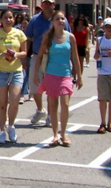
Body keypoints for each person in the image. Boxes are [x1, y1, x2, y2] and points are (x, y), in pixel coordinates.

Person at [33, 11, 82, 147]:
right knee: (53, 106)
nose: (60, 21)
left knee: (65, 104)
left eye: (62, 19)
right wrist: (35, 73)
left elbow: (75, 58)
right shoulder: (48, 36)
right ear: (52, 22)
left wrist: (79, 76)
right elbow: (40, 56)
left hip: (66, 74)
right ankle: (55, 134)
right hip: (50, 74)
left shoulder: (70, 37)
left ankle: (63, 133)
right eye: (57, 19)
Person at [24, 0, 70, 127]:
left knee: (51, 87)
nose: (47, 6)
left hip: (54, 58)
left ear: (54, 5)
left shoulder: (60, 19)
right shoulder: (34, 20)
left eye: (49, 4)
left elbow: (68, 37)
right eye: (45, 4)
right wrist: (26, 57)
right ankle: (40, 110)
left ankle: (51, 115)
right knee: (34, 86)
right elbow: (28, 38)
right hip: (37, 55)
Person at [0, 9, 28, 144]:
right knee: (3, 104)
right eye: (6, 17)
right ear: (1, 20)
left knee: (15, 101)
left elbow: (24, 52)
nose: (8, 20)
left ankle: (11, 126)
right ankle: (2, 130)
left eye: (10, 17)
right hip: (0, 71)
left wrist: (16, 55)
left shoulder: (19, 34)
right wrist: (1, 55)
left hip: (16, 71)